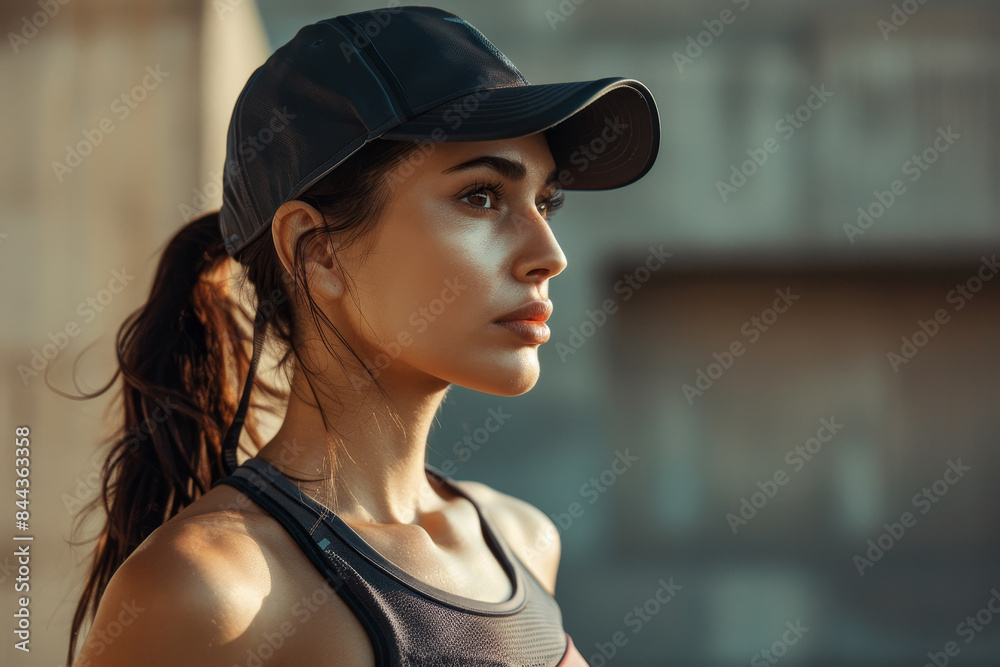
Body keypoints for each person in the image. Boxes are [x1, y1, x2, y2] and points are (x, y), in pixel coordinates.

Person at [67, 5, 659, 666]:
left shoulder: (522, 539)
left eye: (544, 202)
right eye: (482, 196)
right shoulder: (213, 591)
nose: (548, 254)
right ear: (315, 250)